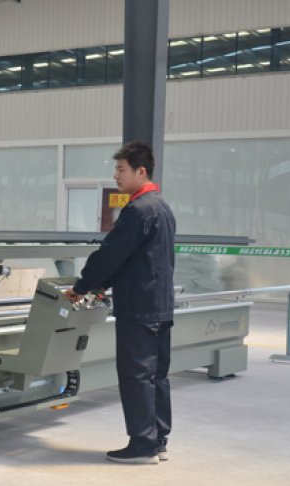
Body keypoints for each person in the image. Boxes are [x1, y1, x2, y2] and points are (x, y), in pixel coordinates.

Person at [64, 141, 176, 465]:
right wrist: (101, 285)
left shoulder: (137, 210)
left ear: (141, 172)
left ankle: (142, 444)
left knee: (136, 375)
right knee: (156, 376)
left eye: (121, 169)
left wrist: (83, 286)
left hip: (138, 307)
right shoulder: (163, 208)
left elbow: (111, 255)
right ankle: (158, 441)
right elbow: (135, 259)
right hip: (160, 305)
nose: (116, 175)